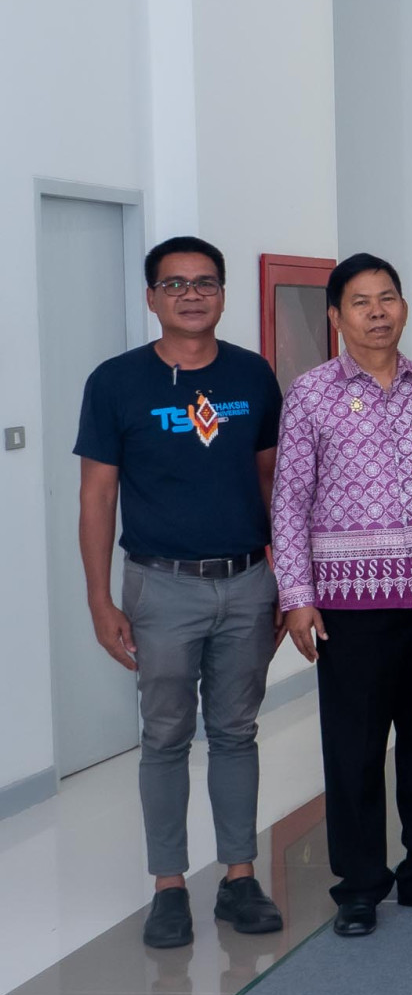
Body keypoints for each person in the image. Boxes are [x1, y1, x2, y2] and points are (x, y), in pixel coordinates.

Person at [73, 236, 286, 949]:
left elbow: (273, 481)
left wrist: (288, 580)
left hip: (248, 581)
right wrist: (100, 599)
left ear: (222, 294)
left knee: (235, 732)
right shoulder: (116, 382)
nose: (191, 295)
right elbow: (97, 497)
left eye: (205, 283)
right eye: (175, 284)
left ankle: (239, 878)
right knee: (164, 736)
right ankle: (168, 886)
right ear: (152, 297)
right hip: (160, 586)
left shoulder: (252, 374)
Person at [273, 253, 412, 937]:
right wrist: (296, 596)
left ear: (403, 307)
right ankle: (361, 885)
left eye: (388, 298)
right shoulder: (311, 394)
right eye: (361, 302)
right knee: (356, 751)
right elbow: (289, 502)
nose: (377, 312)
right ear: (336, 316)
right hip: (349, 608)